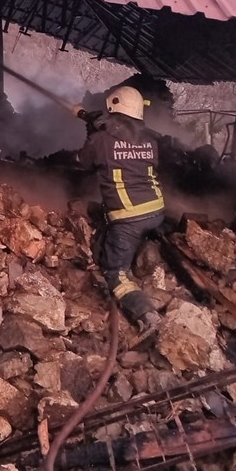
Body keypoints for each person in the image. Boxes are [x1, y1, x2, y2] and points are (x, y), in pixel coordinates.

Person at [73, 85, 163, 334]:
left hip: (129, 218)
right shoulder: (150, 140)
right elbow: (128, 151)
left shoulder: (101, 140)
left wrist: (94, 133)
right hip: (156, 211)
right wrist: (99, 128)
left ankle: (147, 314)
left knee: (115, 271)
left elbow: (83, 162)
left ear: (113, 108)